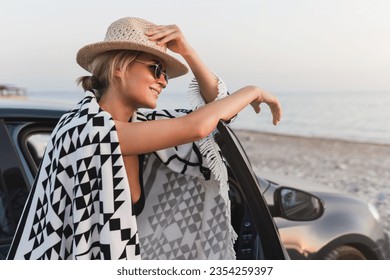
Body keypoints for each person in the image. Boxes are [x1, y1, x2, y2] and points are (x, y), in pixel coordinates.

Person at [7, 17, 281, 260]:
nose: (163, 82)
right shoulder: (85, 130)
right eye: (157, 69)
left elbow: (216, 112)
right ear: (120, 66)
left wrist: (187, 51)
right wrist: (253, 90)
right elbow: (197, 126)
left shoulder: (140, 126)